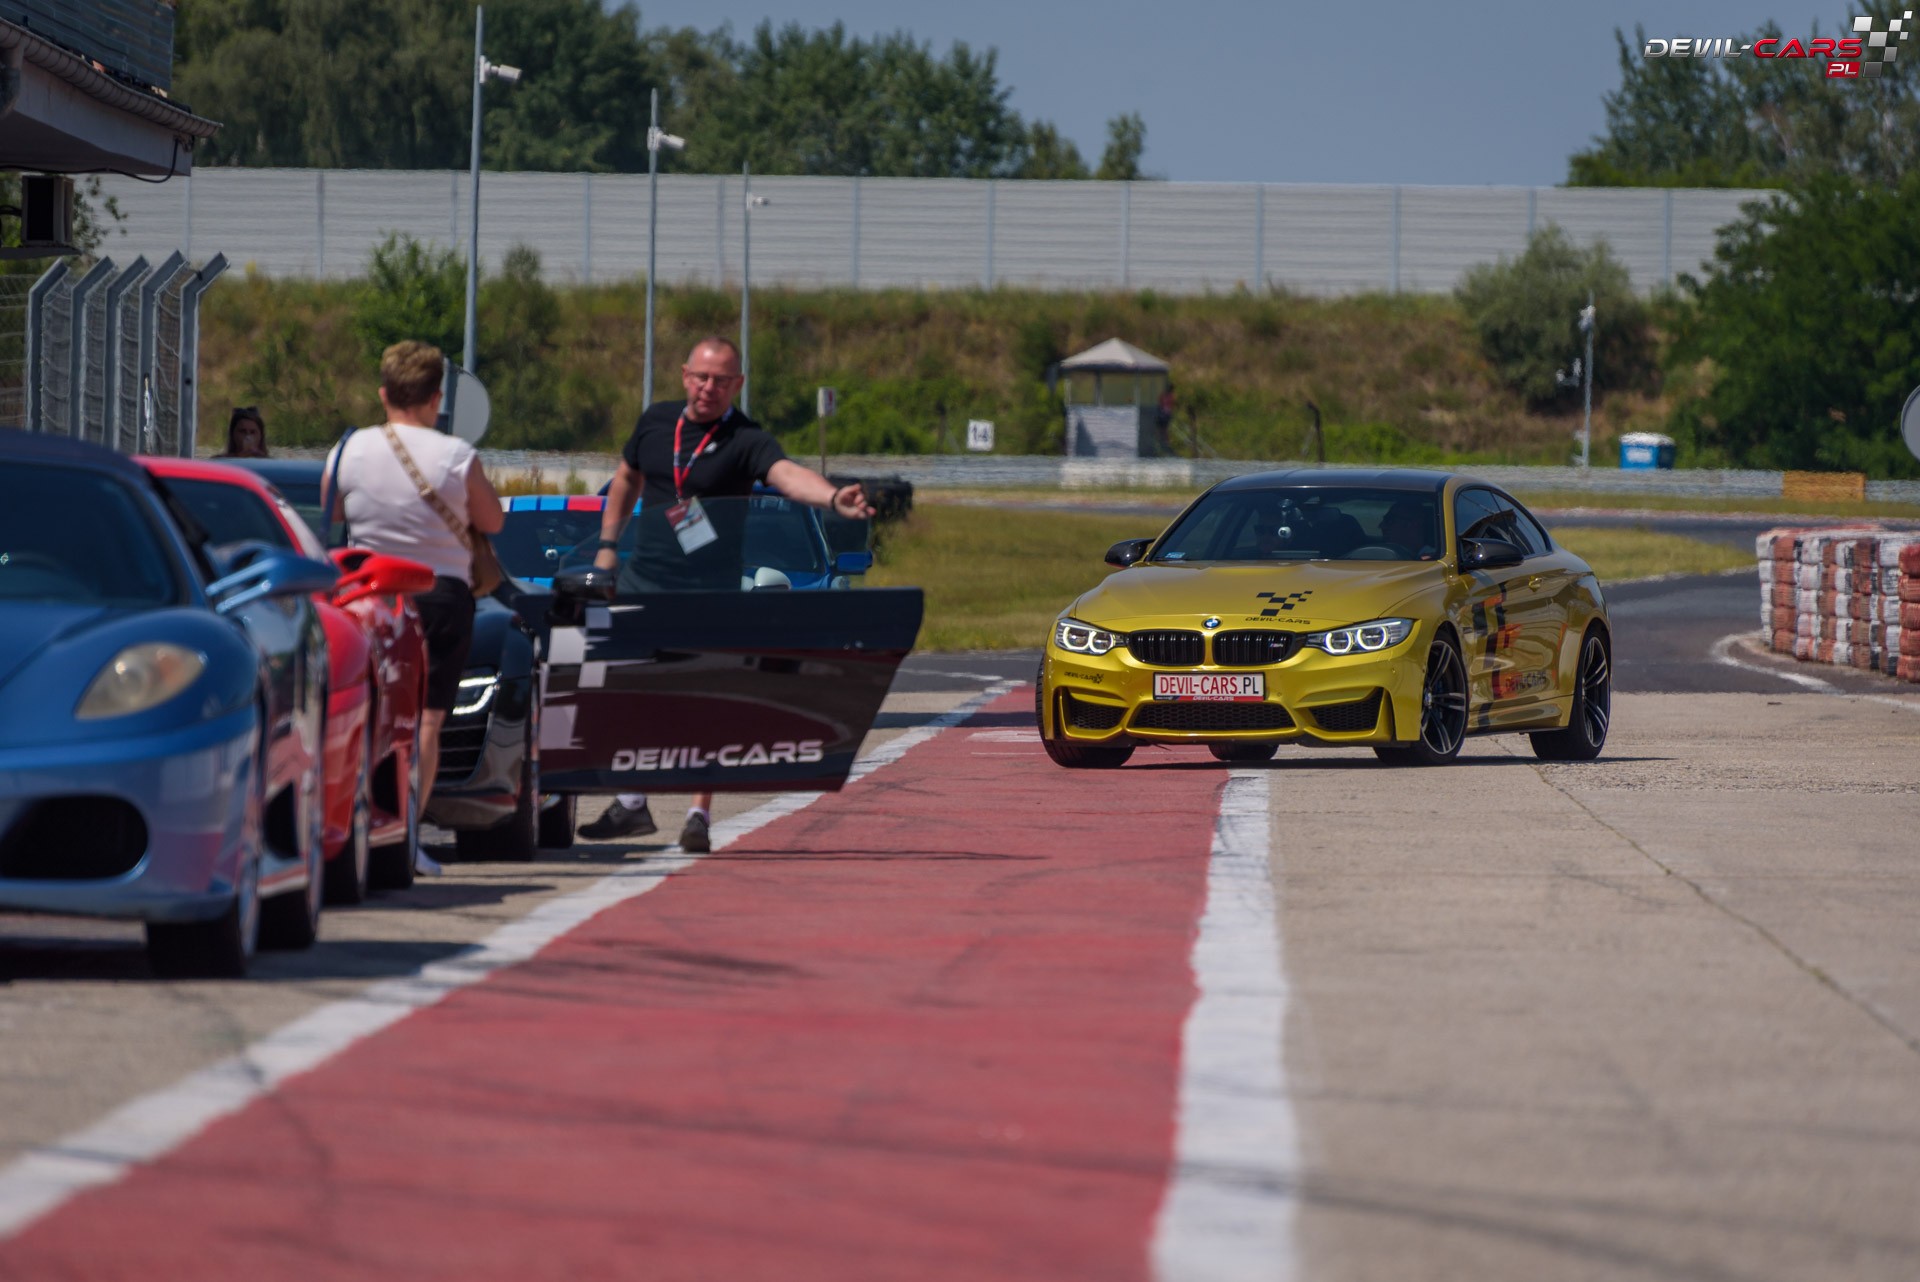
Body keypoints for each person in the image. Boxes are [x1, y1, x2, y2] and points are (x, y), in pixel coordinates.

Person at [578, 335, 875, 852]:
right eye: (701, 377)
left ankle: (698, 814)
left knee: (704, 696)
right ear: (684, 375)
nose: (708, 388)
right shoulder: (656, 422)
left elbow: (786, 476)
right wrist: (607, 547)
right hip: (646, 581)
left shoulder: (745, 438)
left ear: (737, 384)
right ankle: (631, 802)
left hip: (709, 587)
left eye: (720, 380)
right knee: (630, 689)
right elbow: (626, 479)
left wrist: (832, 497)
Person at [325, 341, 504, 874]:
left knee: (369, 710)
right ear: (436, 399)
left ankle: (357, 822)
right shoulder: (456, 456)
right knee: (426, 721)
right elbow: (492, 521)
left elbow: (333, 511)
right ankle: (407, 837)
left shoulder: (348, 450)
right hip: (440, 595)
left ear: (383, 394)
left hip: (368, 595)